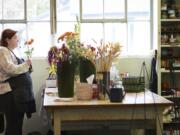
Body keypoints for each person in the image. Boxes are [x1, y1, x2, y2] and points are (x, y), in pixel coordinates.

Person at [0, 28, 36, 135]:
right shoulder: (2, 50)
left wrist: (28, 66)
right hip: (9, 95)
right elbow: (10, 69)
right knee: (13, 126)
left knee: (17, 126)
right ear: (7, 39)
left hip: (15, 95)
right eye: (15, 37)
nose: (18, 40)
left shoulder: (10, 52)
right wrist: (26, 65)